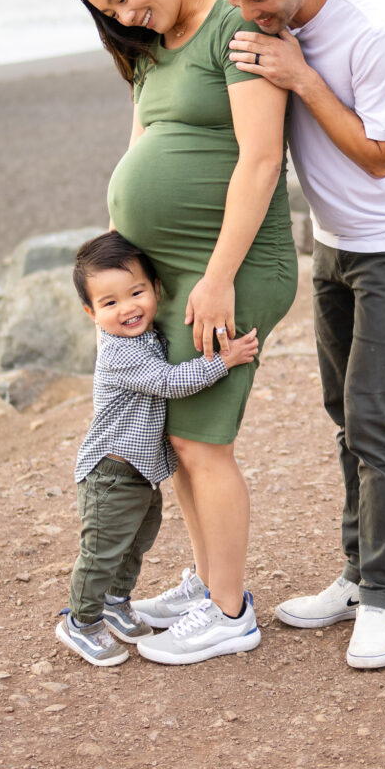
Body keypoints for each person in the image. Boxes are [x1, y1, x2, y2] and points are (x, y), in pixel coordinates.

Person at [198, 0, 385, 670]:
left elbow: (381, 156)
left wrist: (302, 76)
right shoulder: (260, 15)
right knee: (341, 411)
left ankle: (382, 598)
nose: (242, 10)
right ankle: (355, 574)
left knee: (376, 417)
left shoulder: (381, 29)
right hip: (337, 243)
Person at [66, 0, 297, 665]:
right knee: (179, 437)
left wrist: (220, 277)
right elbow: (140, 148)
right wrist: (117, 257)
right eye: (108, 10)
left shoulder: (233, 26)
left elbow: (261, 161)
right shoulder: (150, 51)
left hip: (228, 269)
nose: (124, 14)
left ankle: (230, 612)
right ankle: (209, 582)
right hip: (164, 278)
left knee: (202, 443)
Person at [56, 231, 259, 667]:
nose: (127, 308)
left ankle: (115, 600)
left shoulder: (144, 336)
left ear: (155, 291)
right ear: (91, 313)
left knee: (136, 541)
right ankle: (81, 620)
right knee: (103, 549)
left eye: (136, 293)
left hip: (139, 473)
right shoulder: (119, 353)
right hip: (110, 473)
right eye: (110, 303)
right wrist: (223, 360)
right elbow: (169, 382)